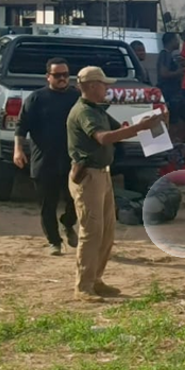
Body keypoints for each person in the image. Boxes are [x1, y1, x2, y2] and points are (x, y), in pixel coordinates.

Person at [66, 66, 166, 302]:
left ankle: (95, 279)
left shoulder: (96, 110)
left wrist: (149, 124)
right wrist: (140, 128)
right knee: (91, 233)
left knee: (106, 232)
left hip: (101, 174)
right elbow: (103, 138)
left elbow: (118, 130)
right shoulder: (85, 112)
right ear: (92, 86)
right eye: (104, 85)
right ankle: (83, 286)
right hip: (88, 176)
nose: (107, 89)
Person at [14, 58, 81, 256]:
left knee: (76, 200)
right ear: (48, 77)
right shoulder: (36, 99)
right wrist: (18, 150)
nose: (62, 79)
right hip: (44, 160)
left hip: (71, 160)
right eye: (57, 75)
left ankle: (67, 223)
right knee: (47, 205)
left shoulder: (77, 97)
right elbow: (21, 126)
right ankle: (54, 242)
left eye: (65, 75)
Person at [156, 32, 185, 140]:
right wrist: (178, 72)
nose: (178, 42)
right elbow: (163, 73)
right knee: (176, 119)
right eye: (176, 40)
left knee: (183, 117)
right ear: (171, 41)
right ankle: (173, 141)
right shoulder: (165, 55)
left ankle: (178, 141)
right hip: (170, 93)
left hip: (173, 92)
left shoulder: (169, 55)